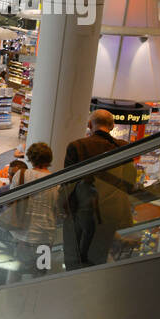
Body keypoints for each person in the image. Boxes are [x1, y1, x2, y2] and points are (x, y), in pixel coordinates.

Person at [61, 109, 137, 269]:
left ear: (90, 125)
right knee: (99, 254)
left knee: (77, 254)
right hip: (112, 211)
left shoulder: (77, 146)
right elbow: (130, 182)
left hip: (84, 209)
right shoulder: (124, 147)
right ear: (112, 126)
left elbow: (67, 182)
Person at [1, 141, 58, 277]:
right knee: (40, 275)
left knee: (15, 273)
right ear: (49, 159)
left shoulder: (21, 175)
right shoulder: (57, 180)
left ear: (30, 158)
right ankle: (37, 296)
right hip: (46, 237)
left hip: (23, 235)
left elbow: (10, 201)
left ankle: (12, 297)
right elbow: (57, 208)